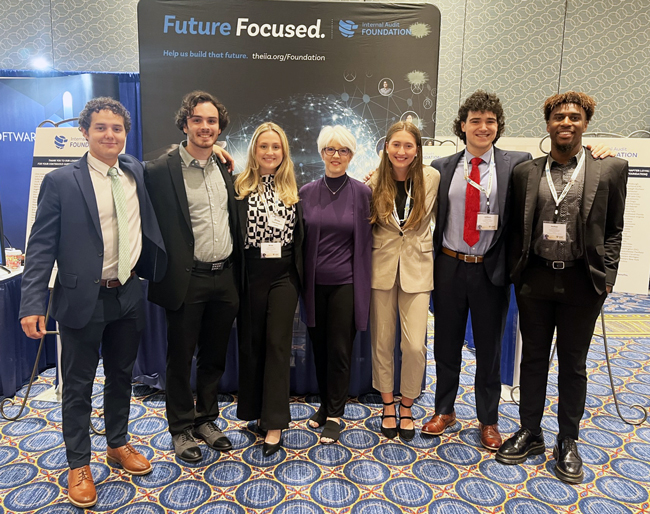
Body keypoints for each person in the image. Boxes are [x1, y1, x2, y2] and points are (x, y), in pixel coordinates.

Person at [19, 98, 166, 508]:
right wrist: (32, 302)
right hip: (81, 298)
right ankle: (78, 464)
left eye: (117, 128)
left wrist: (217, 151)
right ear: (85, 132)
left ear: (126, 133)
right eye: (101, 127)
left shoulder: (134, 170)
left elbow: (174, 160)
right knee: (78, 386)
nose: (109, 135)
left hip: (128, 293)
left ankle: (117, 443)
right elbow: (41, 245)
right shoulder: (61, 182)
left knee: (121, 376)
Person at [496, 92, 628, 484]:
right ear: (548, 124)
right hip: (535, 278)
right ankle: (530, 431)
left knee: (573, 364)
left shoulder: (610, 168)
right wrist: (516, 275)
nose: (565, 123)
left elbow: (615, 228)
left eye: (573, 117)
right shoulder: (526, 172)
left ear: (585, 123)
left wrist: (607, 277)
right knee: (533, 359)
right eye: (558, 117)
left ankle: (567, 439)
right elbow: (514, 228)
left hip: (582, 281)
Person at [421, 91, 532, 449]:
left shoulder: (518, 164)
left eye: (490, 121)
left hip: (490, 271)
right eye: (475, 120)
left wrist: (594, 150)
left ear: (498, 126)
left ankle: (488, 419)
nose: (483, 127)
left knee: (489, 350)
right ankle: (444, 409)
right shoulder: (442, 167)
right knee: (446, 345)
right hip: (449, 266)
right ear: (462, 126)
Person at [144, 91, 239, 462]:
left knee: (214, 356)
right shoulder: (160, 170)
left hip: (224, 277)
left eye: (211, 121)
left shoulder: (225, 168)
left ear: (220, 127)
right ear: (185, 124)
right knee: (180, 358)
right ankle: (181, 427)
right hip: (187, 279)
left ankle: (207, 419)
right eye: (197, 120)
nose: (205, 127)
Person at [367, 121, 440, 441]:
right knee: (382, 342)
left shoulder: (432, 178)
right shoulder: (373, 181)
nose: (401, 151)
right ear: (386, 147)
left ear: (417, 149)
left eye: (408, 145)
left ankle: (407, 405)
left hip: (418, 268)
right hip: (381, 268)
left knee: (413, 346)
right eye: (396, 144)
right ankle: (387, 404)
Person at [300, 125, 373, 444]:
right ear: (321, 153)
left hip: (346, 283)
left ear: (351, 155)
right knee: (319, 348)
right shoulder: (306, 192)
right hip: (313, 285)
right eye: (330, 149)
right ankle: (324, 405)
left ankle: (334, 415)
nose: (336, 155)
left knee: (340, 350)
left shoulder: (362, 193)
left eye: (343, 150)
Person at [235, 122, 303, 456]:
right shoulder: (238, 187)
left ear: (284, 152)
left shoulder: (292, 188)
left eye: (276, 147)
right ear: (254, 150)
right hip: (250, 272)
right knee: (252, 344)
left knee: (277, 344)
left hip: (283, 275)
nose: (270, 152)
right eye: (264, 146)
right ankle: (256, 412)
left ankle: (275, 422)